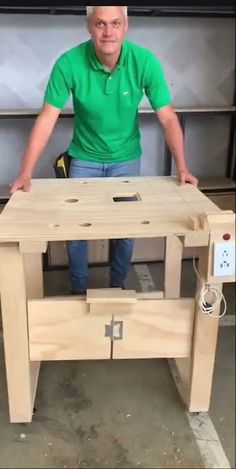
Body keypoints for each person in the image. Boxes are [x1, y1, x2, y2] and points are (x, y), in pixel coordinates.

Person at [10, 5, 198, 294]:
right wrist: (25, 172)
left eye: (115, 23)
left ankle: (118, 285)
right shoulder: (68, 63)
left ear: (126, 25)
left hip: (126, 159)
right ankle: (78, 290)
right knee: (76, 230)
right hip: (84, 158)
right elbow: (47, 119)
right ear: (89, 27)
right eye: (100, 24)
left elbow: (168, 117)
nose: (108, 32)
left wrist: (183, 168)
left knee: (126, 229)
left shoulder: (144, 61)